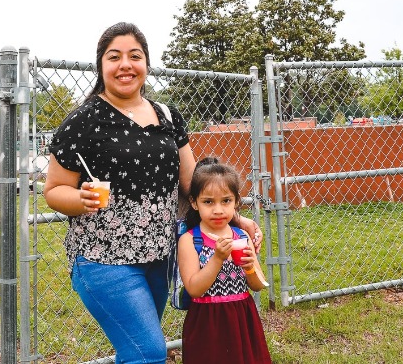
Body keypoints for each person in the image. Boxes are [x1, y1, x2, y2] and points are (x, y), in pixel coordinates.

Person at [43, 22, 262, 364]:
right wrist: (80, 198)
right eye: (114, 57)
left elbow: (193, 185)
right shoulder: (82, 121)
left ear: (146, 63)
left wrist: (236, 218)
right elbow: (54, 190)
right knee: (147, 352)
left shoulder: (167, 115)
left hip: (161, 256)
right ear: (101, 65)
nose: (125, 64)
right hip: (103, 259)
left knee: (135, 349)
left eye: (135, 56)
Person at [178, 158, 271, 363]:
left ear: (237, 201)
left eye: (226, 201)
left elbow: (257, 285)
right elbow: (194, 289)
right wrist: (217, 258)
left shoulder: (241, 236)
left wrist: (249, 269)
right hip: (207, 320)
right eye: (208, 202)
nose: (218, 210)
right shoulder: (190, 240)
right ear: (194, 202)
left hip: (241, 317)